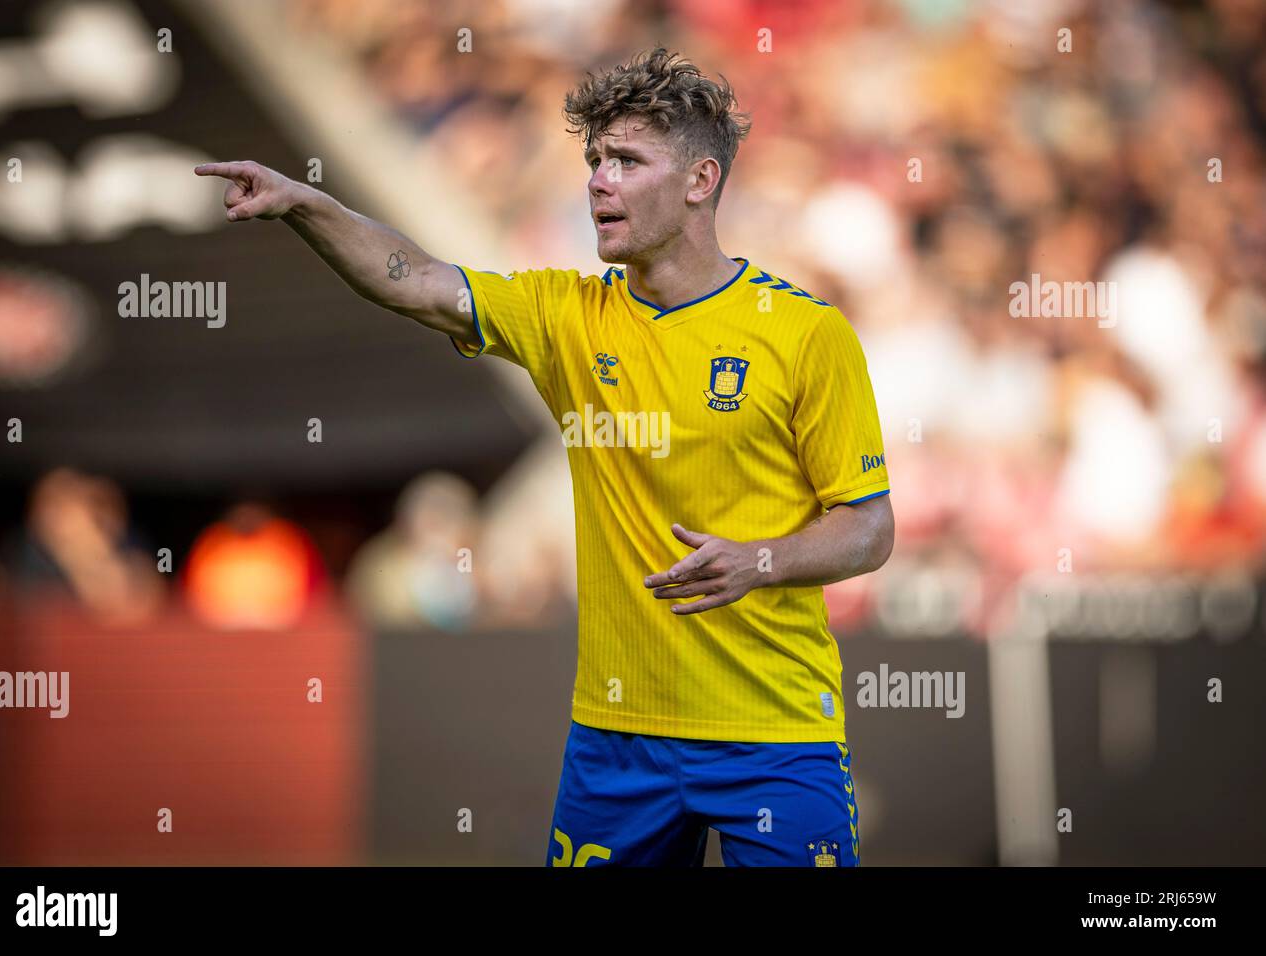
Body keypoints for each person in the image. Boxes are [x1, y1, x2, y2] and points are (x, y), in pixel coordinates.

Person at [195, 47, 894, 867]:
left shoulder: (805, 335)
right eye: (595, 160)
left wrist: (762, 561)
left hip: (775, 738)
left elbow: (869, 528)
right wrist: (309, 207)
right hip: (616, 739)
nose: (598, 180)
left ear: (701, 181)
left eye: (627, 161)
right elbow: (414, 279)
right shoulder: (565, 315)